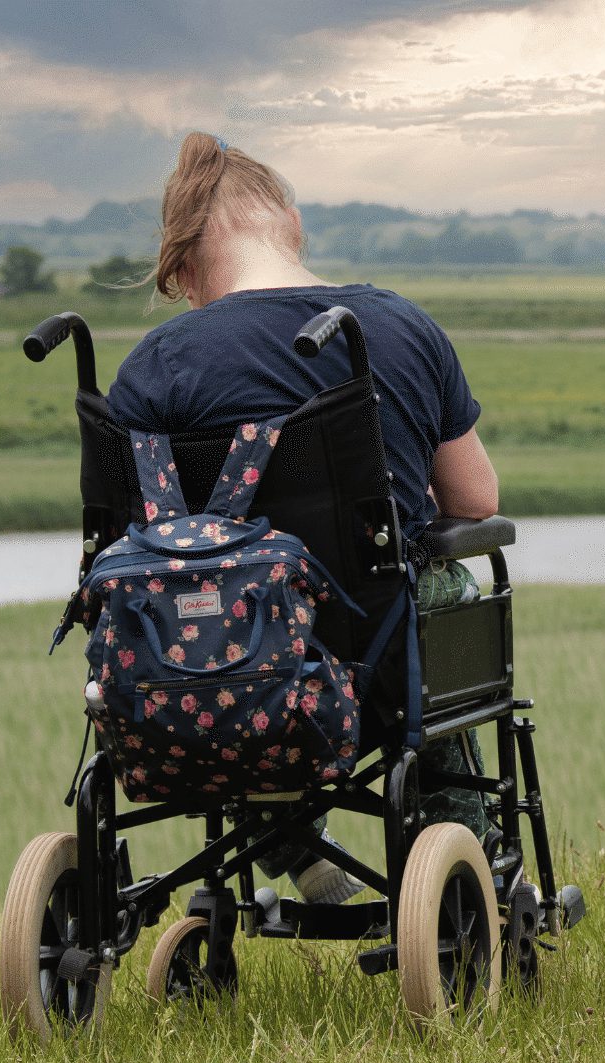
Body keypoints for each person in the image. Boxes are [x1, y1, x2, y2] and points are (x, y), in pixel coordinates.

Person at [106, 132, 498, 904]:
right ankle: (460, 843)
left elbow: (138, 543)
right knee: (446, 599)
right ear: (290, 219)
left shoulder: (156, 364)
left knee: (228, 604)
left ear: (185, 268)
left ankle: (287, 843)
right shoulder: (401, 328)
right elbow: (476, 502)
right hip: (378, 649)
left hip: (211, 652)